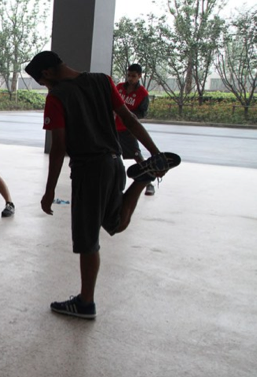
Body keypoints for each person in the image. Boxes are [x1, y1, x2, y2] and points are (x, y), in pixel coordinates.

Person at [24, 51, 180, 319]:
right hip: (113, 162)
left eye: (42, 82)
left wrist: (49, 191)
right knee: (116, 223)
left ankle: (85, 303)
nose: (45, 87)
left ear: (47, 73)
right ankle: (142, 177)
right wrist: (155, 154)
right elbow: (130, 120)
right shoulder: (103, 81)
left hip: (88, 170)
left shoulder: (57, 96)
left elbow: (59, 146)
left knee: (87, 241)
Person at [115, 64, 155, 195]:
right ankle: (114, 184)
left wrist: (129, 116)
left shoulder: (142, 93)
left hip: (127, 130)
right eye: (129, 75)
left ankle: (149, 182)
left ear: (139, 76)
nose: (130, 78)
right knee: (113, 156)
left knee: (137, 156)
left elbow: (142, 112)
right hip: (113, 129)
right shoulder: (119, 88)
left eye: (133, 76)